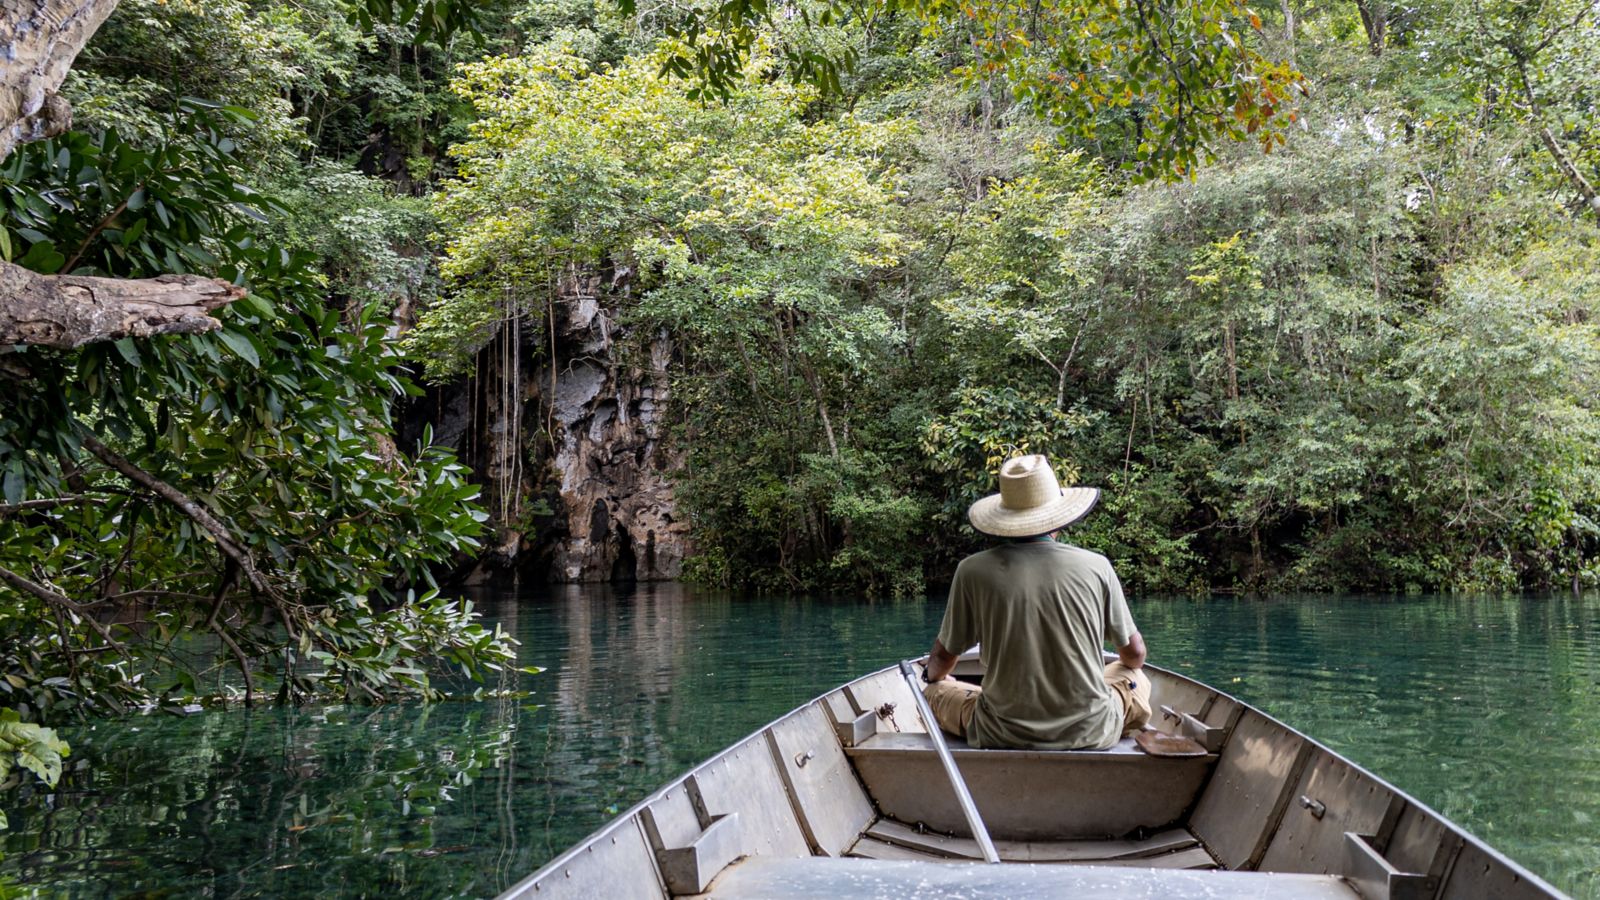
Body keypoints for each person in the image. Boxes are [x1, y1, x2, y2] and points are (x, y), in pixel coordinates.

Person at [921, 453, 1152, 750]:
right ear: (1057, 516)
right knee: (1135, 676)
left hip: (999, 732)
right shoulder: (1097, 566)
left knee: (933, 691)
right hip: (1093, 730)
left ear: (1005, 516)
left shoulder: (971, 570)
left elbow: (943, 658)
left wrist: (933, 678)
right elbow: (1135, 654)